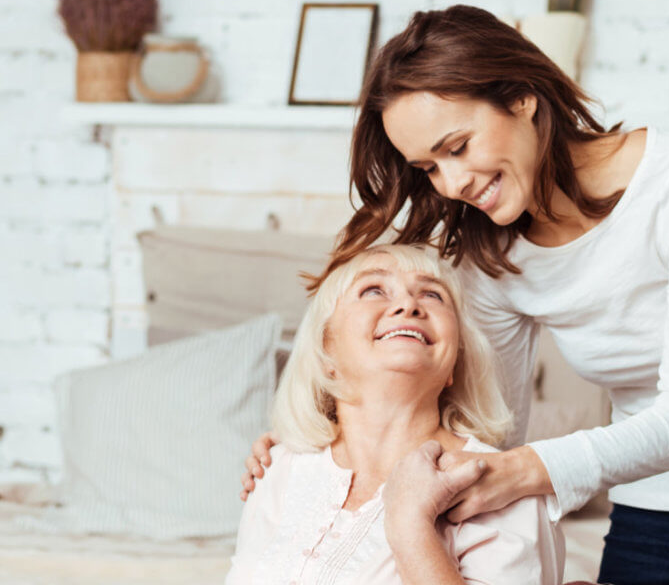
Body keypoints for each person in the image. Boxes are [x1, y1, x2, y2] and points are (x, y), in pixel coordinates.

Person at [242, 6, 669, 584]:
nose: (454, 182)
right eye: (430, 168)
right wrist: (313, 460)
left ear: (522, 98)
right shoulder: (492, 254)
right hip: (652, 500)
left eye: (456, 147)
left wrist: (522, 472)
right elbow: (492, 429)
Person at [225, 244, 564, 585]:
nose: (408, 305)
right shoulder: (276, 468)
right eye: (373, 289)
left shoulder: (501, 488)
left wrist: (412, 527)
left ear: (454, 364)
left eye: (433, 294)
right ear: (326, 351)